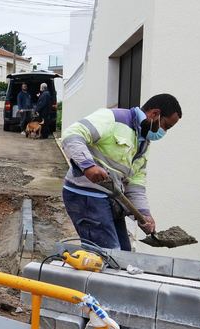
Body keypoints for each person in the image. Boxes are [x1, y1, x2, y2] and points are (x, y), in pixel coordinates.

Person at [59, 93, 182, 251]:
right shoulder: (112, 118)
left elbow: (136, 183)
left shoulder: (143, 143)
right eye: (166, 126)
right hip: (86, 195)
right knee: (108, 255)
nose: (164, 132)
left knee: (124, 253)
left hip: (111, 200)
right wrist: (88, 166)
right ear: (155, 114)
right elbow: (72, 135)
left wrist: (144, 214)